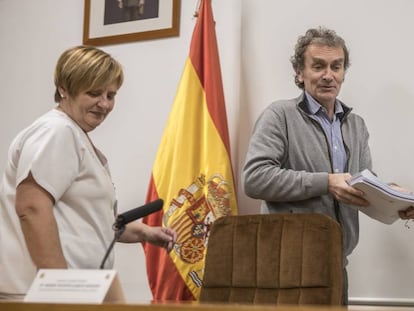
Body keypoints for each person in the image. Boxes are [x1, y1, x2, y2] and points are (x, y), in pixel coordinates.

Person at [241, 26, 414, 304]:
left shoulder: (356, 125)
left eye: (336, 66)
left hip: (336, 262)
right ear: (300, 72)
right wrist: (326, 182)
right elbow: (255, 178)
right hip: (286, 265)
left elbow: (361, 187)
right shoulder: (278, 115)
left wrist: (394, 199)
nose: (328, 75)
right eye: (318, 66)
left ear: (344, 71)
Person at [0, 45, 177, 300]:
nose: (104, 104)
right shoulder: (56, 131)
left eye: (111, 95)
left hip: (78, 289)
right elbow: (32, 207)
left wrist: (145, 232)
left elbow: (86, 221)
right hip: (42, 294)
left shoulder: (72, 134)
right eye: (94, 93)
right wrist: (58, 287)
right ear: (64, 89)